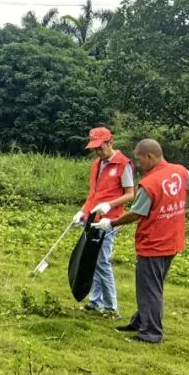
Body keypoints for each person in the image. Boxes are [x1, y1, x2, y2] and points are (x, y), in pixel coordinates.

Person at [91, 139, 189, 343]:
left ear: (151, 156)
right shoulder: (178, 171)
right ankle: (140, 322)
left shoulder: (150, 183)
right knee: (153, 285)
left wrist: (110, 223)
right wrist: (176, 198)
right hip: (173, 239)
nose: (137, 164)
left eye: (139, 159)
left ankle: (151, 333)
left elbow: (135, 214)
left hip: (154, 242)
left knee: (150, 288)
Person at [73, 127, 135, 316]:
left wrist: (109, 205)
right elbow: (93, 193)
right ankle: (95, 301)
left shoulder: (124, 165)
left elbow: (131, 194)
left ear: (111, 142)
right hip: (91, 217)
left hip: (109, 220)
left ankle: (111, 307)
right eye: (95, 149)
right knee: (91, 259)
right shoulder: (96, 164)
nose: (98, 151)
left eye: (101, 147)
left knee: (102, 261)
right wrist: (82, 212)